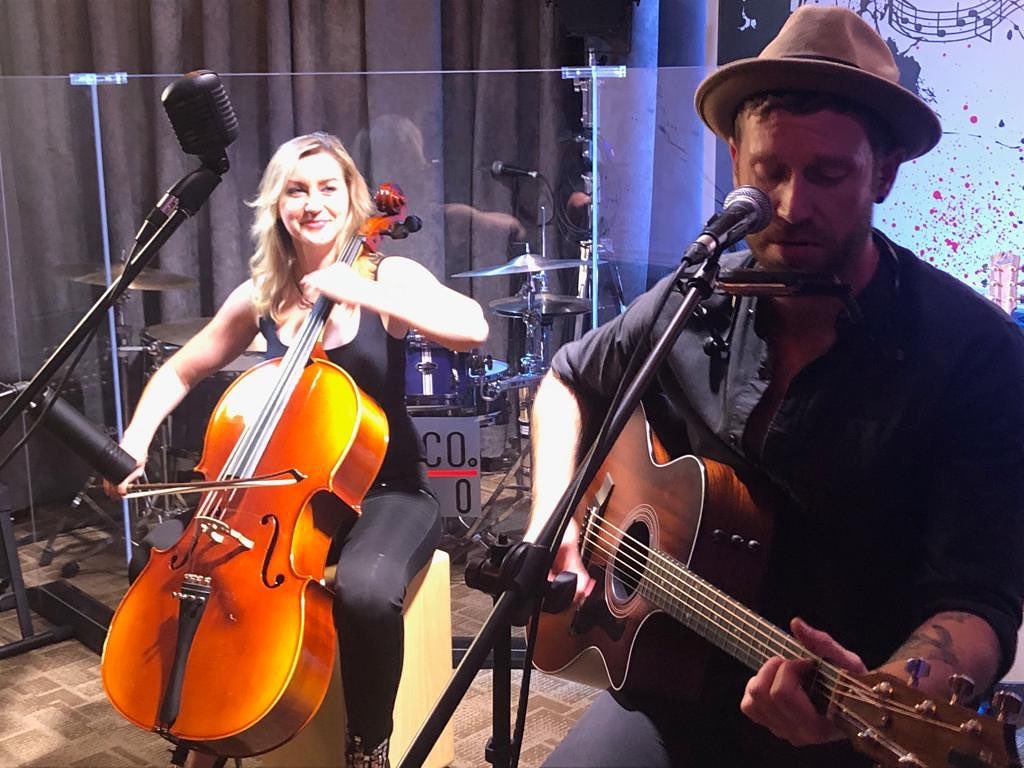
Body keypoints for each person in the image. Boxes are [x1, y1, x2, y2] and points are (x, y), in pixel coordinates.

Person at [524, 7, 1024, 767]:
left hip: (846, 708)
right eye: (770, 172)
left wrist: (884, 691)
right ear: (735, 161)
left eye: (828, 174)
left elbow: (977, 597)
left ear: (885, 171)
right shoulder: (695, 298)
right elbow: (565, 380)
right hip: (671, 676)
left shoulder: (974, 353)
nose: (792, 207)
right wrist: (553, 523)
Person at [104, 131, 489, 767]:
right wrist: (135, 441)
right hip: (282, 500)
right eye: (296, 191)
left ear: (352, 197)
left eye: (328, 188)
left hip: (387, 494)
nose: (313, 203)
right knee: (162, 560)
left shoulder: (388, 275)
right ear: (277, 205)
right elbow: (181, 369)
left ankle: (367, 746)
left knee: (367, 591)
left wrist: (364, 293)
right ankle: (207, 725)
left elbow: (472, 327)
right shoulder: (260, 294)